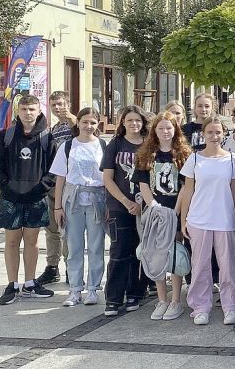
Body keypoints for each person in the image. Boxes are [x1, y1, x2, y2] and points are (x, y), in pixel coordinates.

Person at [0, 94, 57, 305]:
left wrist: (42, 188)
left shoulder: (47, 137)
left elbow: (54, 169)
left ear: (39, 111)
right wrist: (6, 185)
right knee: (11, 241)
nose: (28, 113)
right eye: (24, 109)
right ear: (18, 111)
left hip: (36, 198)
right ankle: (12, 284)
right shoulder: (6, 136)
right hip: (11, 198)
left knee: (32, 241)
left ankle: (30, 283)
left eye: (32, 109)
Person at [179, 116, 235, 325]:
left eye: (218, 132)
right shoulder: (195, 159)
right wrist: (184, 220)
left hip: (224, 219)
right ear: (203, 134)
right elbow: (188, 190)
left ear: (224, 133)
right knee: (200, 265)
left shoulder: (232, 159)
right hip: (199, 219)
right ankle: (200, 306)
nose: (214, 136)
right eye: (210, 132)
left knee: (227, 266)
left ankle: (232, 305)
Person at [133, 111, 192, 321]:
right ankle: (162, 299)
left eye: (169, 128)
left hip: (175, 211)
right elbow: (142, 184)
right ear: (154, 130)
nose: (165, 132)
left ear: (175, 129)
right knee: (155, 253)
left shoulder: (184, 154)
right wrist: (154, 206)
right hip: (154, 213)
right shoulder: (146, 154)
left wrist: (174, 212)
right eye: (161, 128)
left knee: (174, 254)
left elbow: (186, 186)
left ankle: (176, 300)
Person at [52, 108, 108, 308]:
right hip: (73, 200)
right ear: (78, 123)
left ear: (98, 124)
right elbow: (60, 178)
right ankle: (75, 289)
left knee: (95, 246)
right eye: (85, 122)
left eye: (93, 122)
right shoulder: (68, 146)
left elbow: (108, 177)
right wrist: (58, 207)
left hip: (96, 199)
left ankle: (93, 288)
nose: (88, 126)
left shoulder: (103, 146)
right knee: (74, 247)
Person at [101, 105, 151, 316]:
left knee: (142, 251)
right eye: (129, 120)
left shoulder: (150, 144)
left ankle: (135, 293)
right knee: (120, 250)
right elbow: (107, 178)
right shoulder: (116, 144)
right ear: (123, 123)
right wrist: (125, 202)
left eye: (138, 120)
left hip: (144, 207)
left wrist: (141, 204)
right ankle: (113, 297)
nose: (134, 124)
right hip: (119, 207)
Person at [37, 91, 75, 286]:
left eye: (61, 104)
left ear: (68, 103)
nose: (58, 108)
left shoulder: (76, 124)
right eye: (54, 105)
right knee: (51, 229)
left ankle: (71, 267)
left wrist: (72, 119)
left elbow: (85, 134)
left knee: (67, 228)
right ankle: (52, 267)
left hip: (70, 184)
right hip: (53, 183)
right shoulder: (53, 129)